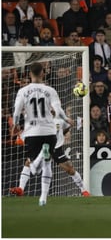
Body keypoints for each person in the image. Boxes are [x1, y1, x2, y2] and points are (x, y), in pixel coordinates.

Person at [9, 62, 73, 206]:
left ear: (30, 74)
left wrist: (15, 125)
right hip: (49, 131)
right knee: (47, 163)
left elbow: (17, 111)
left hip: (32, 132)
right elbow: (58, 110)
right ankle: (43, 199)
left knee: (34, 168)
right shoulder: (50, 90)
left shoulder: (22, 91)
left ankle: (37, 162)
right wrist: (66, 119)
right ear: (43, 73)